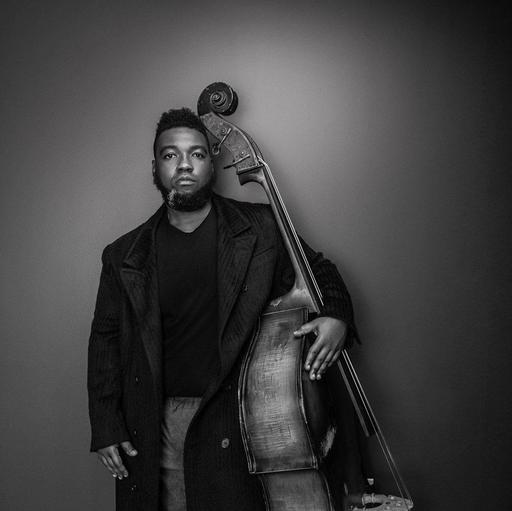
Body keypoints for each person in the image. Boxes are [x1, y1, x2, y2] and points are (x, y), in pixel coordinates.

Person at [87, 107, 362, 511]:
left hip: (243, 412)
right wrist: (106, 424)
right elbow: (105, 339)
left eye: (197, 154)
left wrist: (336, 316)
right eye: (170, 155)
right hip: (162, 420)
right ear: (155, 167)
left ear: (211, 164)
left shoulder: (261, 227)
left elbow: (319, 271)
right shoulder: (123, 254)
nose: (184, 164)